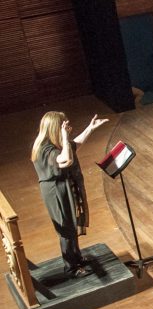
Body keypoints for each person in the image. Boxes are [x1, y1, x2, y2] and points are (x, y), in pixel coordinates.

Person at [32, 111, 108, 278]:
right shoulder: (45, 149)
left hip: (63, 187)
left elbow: (75, 146)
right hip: (56, 192)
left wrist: (90, 128)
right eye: (64, 125)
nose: (68, 127)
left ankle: (77, 257)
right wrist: (65, 138)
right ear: (55, 128)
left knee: (71, 224)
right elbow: (66, 158)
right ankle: (71, 267)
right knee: (65, 228)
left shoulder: (54, 143)